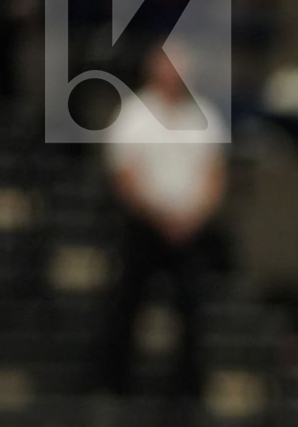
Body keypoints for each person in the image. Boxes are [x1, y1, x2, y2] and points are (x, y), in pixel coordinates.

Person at [97, 50, 227, 402]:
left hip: (190, 230)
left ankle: (186, 391)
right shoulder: (134, 115)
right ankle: (114, 384)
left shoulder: (204, 116)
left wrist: (191, 217)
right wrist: (161, 216)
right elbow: (124, 176)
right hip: (144, 227)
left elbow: (215, 175)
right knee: (127, 303)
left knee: (192, 309)